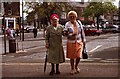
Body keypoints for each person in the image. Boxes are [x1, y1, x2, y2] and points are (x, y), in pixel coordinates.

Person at [64, 11, 86, 75]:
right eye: (71, 16)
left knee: (79, 56)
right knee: (72, 56)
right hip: (71, 42)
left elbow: (82, 32)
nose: (72, 17)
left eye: (73, 16)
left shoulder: (79, 23)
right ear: (69, 17)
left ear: (76, 17)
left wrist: (84, 39)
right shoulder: (67, 24)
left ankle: (76, 66)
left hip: (79, 41)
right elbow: (65, 34)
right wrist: (70, 35)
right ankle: (72, 68)